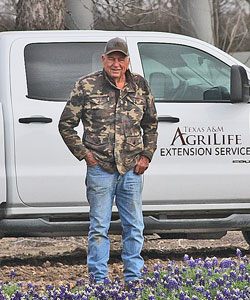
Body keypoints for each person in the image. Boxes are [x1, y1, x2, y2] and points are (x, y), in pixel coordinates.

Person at [58, 37, 158, 284]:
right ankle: (99, 282)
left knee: (134, 228)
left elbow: (151, 124)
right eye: (111, 58)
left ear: (127, 61)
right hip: (100, 168)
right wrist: (85, 155)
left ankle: (134, 280)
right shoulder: (86, 86)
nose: (116, 63)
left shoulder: (141, 86)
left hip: (132, 169)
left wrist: (146, 156)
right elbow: (66, 124)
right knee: (99, 228)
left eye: (120, 59)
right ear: (103, 60)